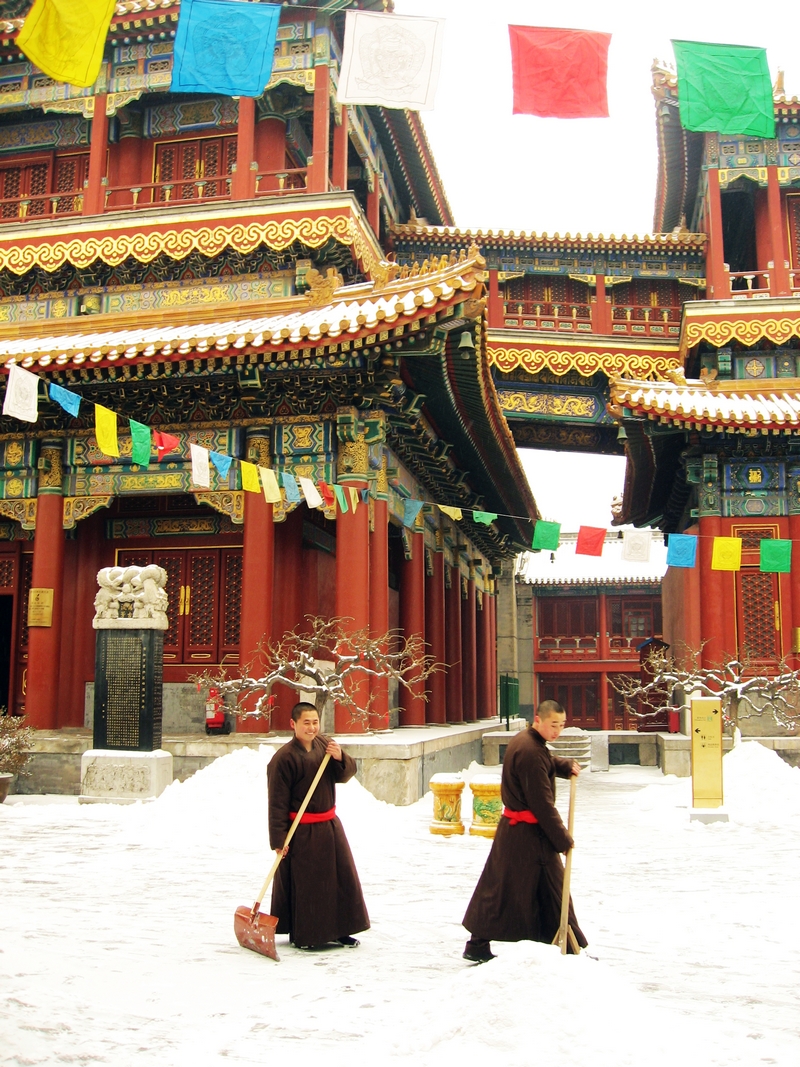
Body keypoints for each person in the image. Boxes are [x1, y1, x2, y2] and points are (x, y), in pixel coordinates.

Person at [462, 698, 588, 963]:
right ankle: (571, 948)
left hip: (517, 833)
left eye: (562, 725)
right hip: (529, 835)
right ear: (538, 720)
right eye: (554, 724)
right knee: (551, 885)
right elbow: (542, 804)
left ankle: (478, 943)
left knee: (503, 887)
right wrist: (561, 838)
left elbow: (545, 762)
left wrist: (561, 765)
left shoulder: (528, 742)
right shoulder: (530, 750)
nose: (558, 731)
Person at [267, 702, 370, 950]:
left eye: (315, 722)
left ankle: (341, 929)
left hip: (330, 825)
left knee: (341, 879)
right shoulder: (283, 759)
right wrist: (279, 841)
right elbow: (276, 804)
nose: (312, 727)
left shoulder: (326, 745)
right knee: (310, 885)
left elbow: (344, 775)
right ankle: (307, 934)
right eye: (306, 722)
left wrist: (340, 757)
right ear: (293, 724)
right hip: (302, 831)